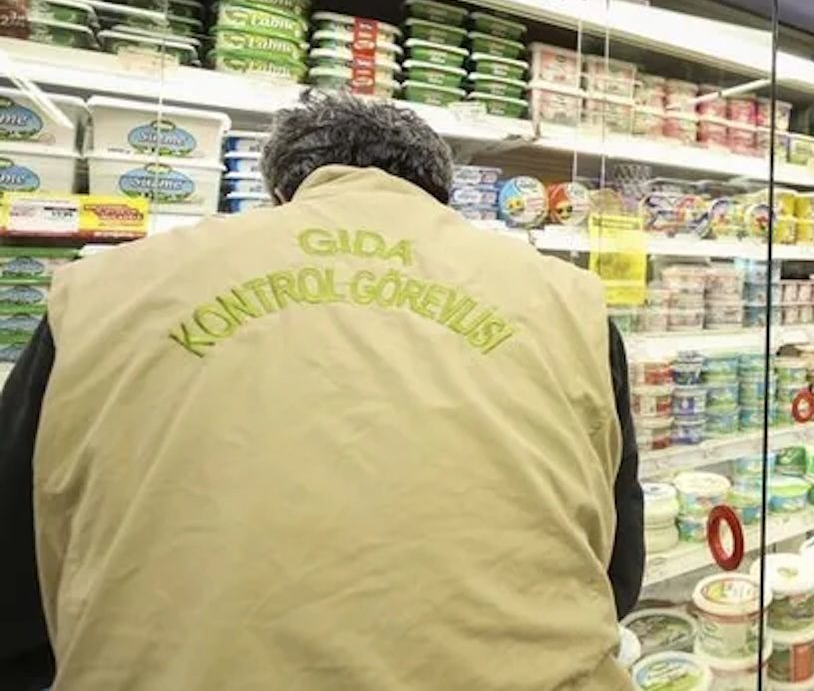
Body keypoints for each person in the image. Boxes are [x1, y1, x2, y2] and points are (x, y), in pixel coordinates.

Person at [0, 91, 642, 690]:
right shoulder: (566, 300)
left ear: (280, 193)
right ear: (442, 200)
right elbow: (616, 571)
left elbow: (15, 572)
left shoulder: (108, 290)